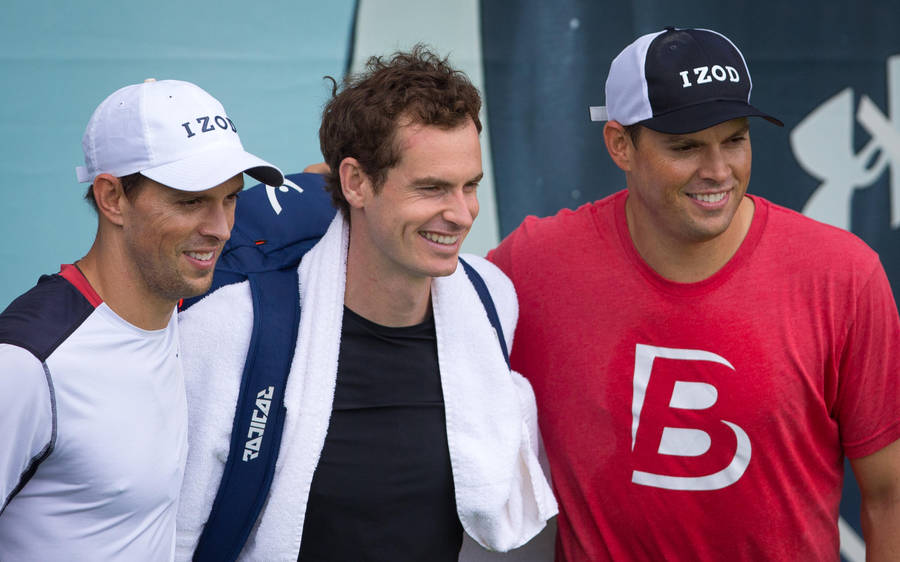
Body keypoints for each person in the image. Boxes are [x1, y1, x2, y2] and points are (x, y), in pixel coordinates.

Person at [488, 27, 900, 561]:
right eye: (686, 146)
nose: (718, 171)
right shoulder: (533, 264)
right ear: (619, 145)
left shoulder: (843, 276)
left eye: (734, 139)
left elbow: (889, 496)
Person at [175, 46, 557, 560]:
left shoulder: (490, 303)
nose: (462, 214)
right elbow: (173, 532)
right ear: (356, 182)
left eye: (470, 186)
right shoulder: (233, 331)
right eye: (431, 188)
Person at [0, 79, 283, 560]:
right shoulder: (26, 363)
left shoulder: (177, 290)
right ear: (112, 198)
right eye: (191, 200)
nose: (220, 228)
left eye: (231, 197)